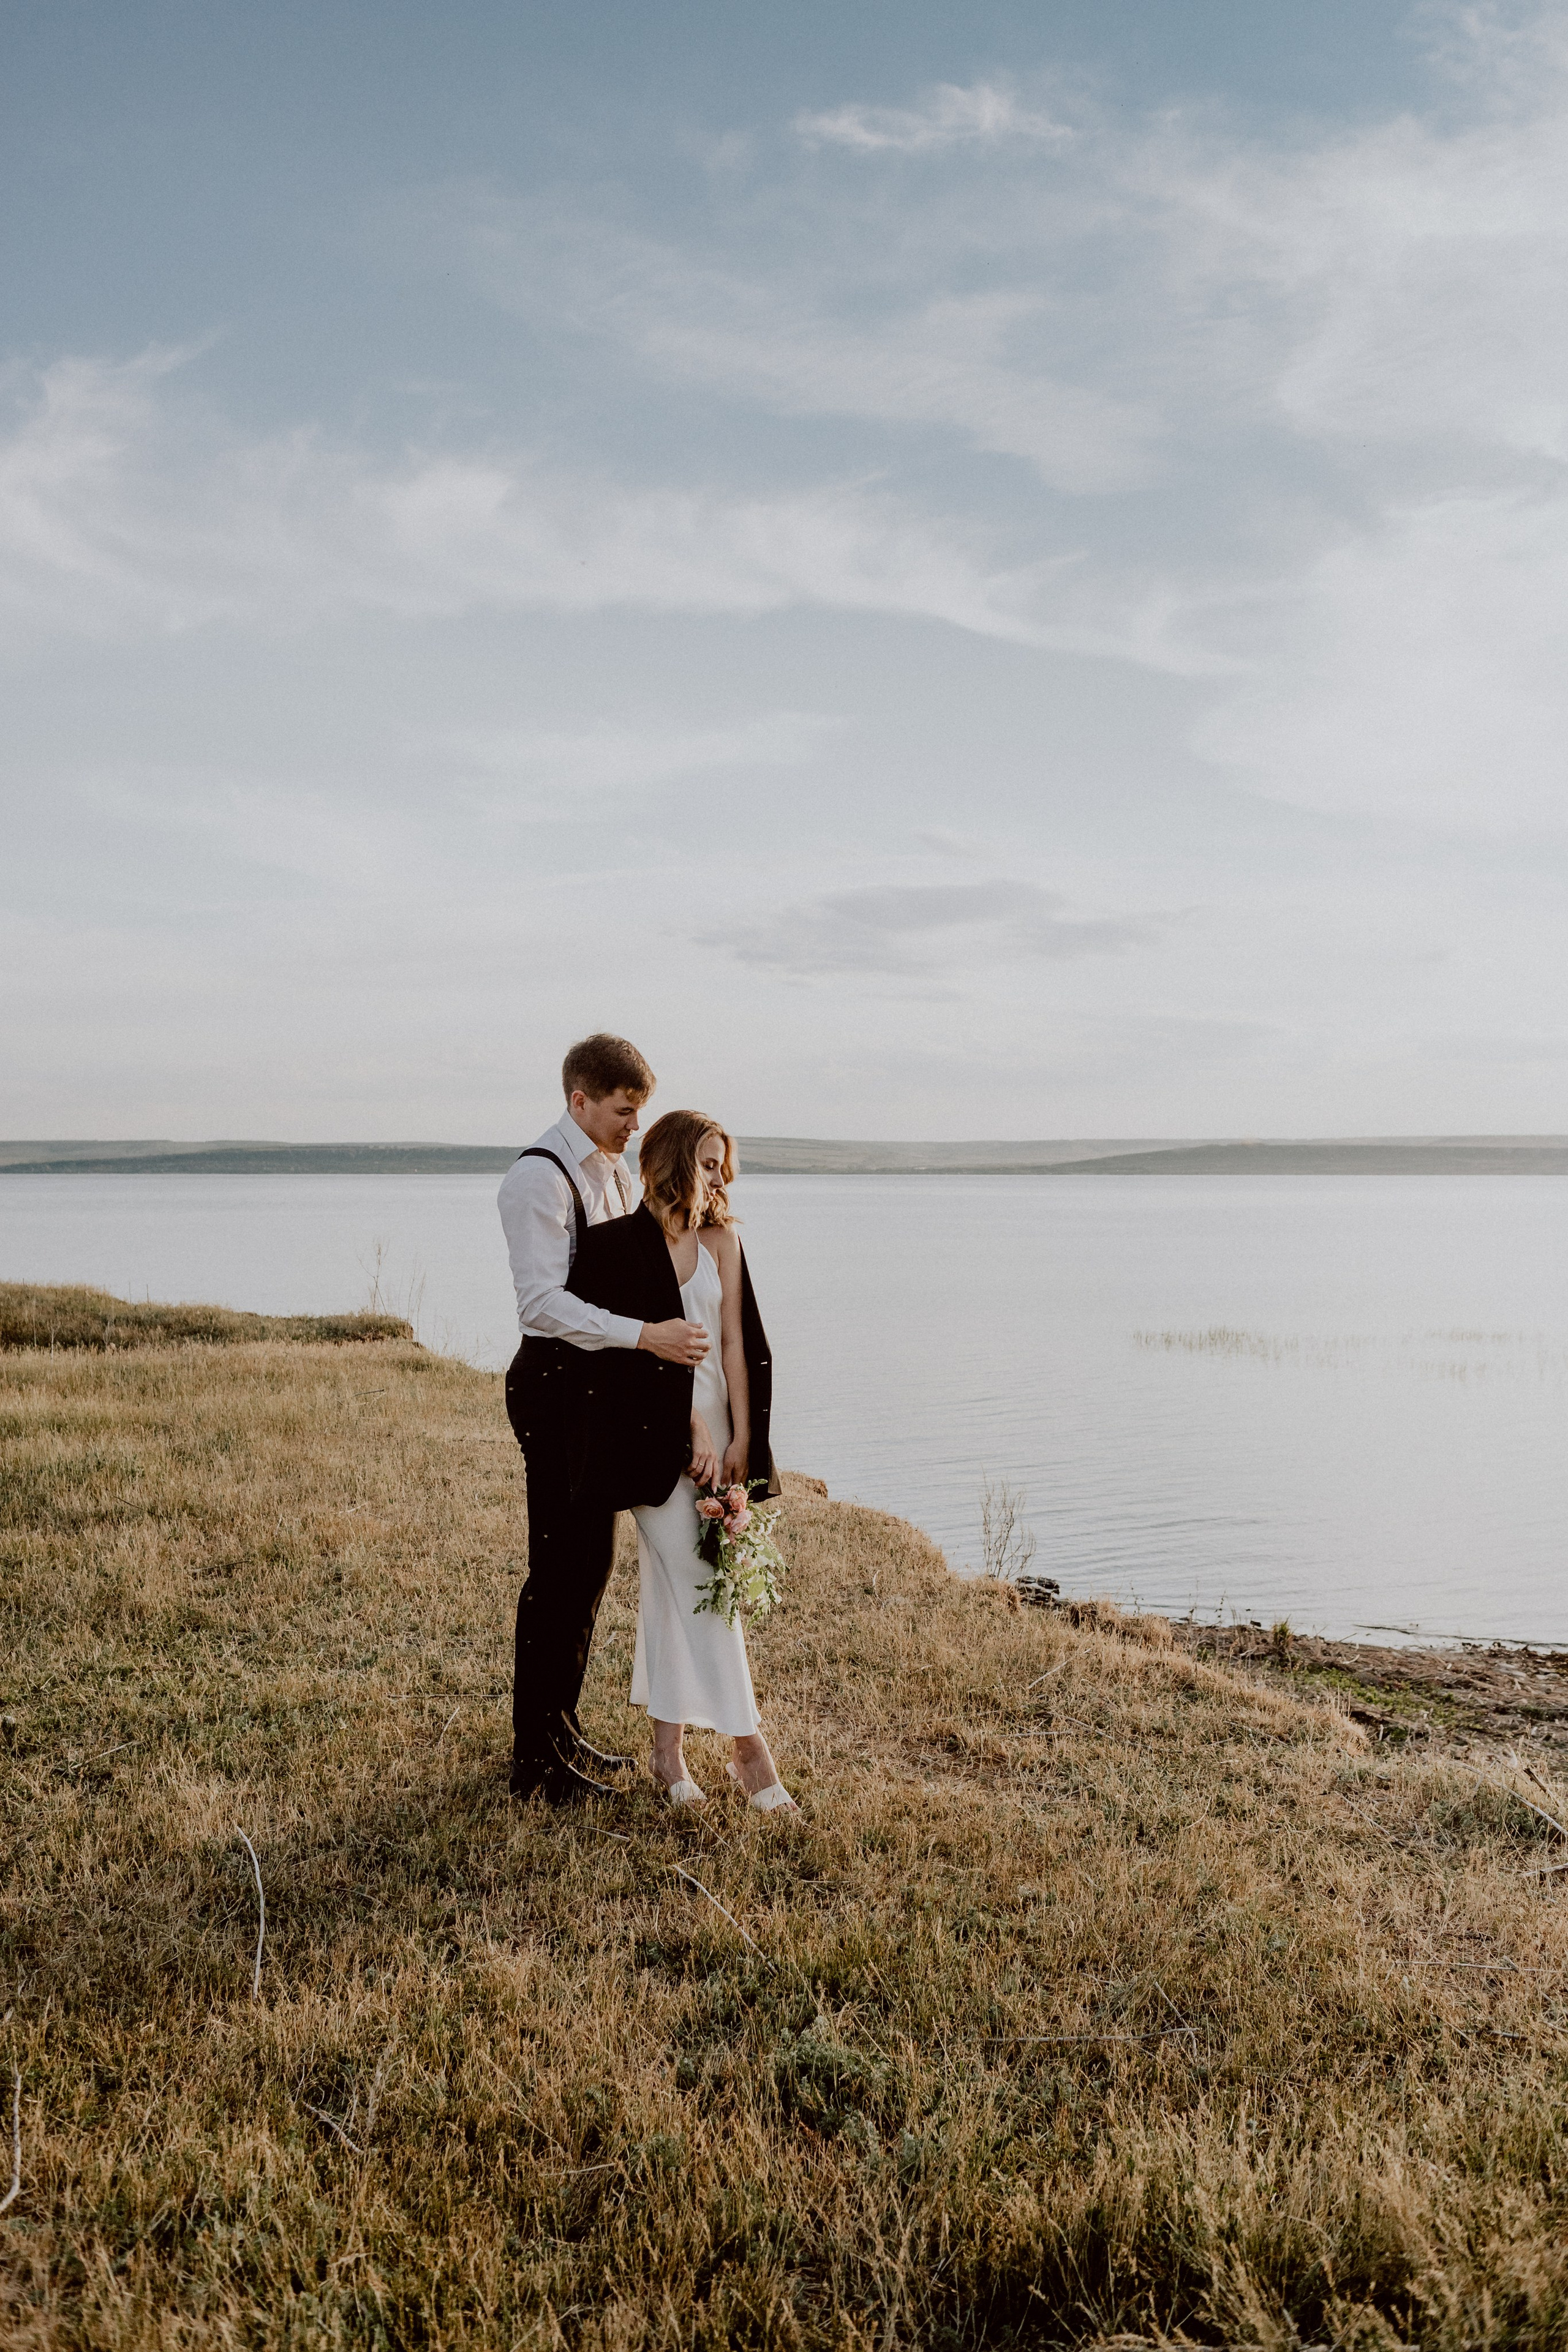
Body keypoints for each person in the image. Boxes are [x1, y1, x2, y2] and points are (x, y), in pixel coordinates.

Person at [497, 1035, 711, 1806]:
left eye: (639, 1113)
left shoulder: (617, 1173)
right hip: (554, 1391)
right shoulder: (538, 1180)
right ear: (580, 1101)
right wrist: (648, 1337)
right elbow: (542, 1305)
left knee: (591, 1569)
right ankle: (534, 1765)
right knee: (557, 1572)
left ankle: (561, 1731)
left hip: (595, 1397)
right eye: (623, 1112)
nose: (633, 1128)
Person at [567, 1110, 794, 1812]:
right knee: (706, 1583)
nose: (718, 1175)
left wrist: (739, 1442)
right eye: (705, 1161)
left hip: (721, 1434)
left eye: (723, 1162)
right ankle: (748, 1750)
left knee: (674, 1593)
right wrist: (687, 1427)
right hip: (649, 1438)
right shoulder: (614, 1247)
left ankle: (667, 1755)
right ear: (668, 1162)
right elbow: (613, 1360)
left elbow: (735, 1344)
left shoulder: (722, 1241)